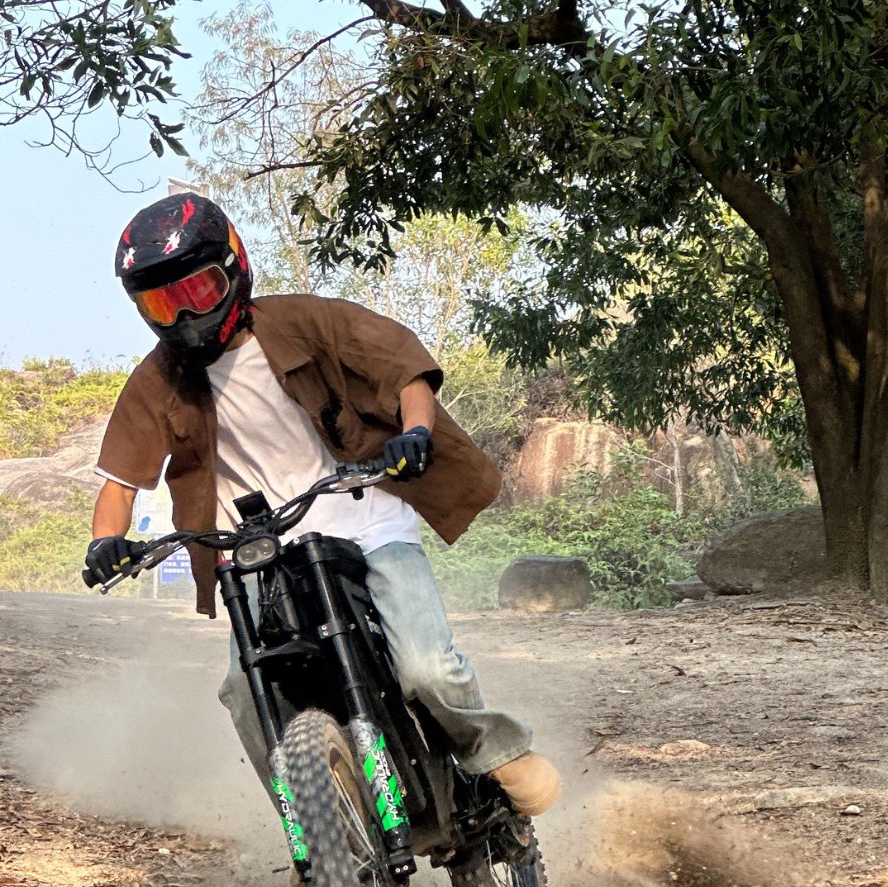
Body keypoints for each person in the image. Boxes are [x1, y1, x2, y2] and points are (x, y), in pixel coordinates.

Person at [84, 192, 560, 832]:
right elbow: (119, 484)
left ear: (235, 268)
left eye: (198, 288)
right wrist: (104, 542)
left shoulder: (310, 321)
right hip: (255, 551)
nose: (187, 314)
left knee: (426, 666)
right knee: (245, 696)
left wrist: (414, 433)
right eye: (163, 303)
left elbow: (406, 372)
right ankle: (315, 831)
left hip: (363, 519)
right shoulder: (157, 380)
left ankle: (495, 752)